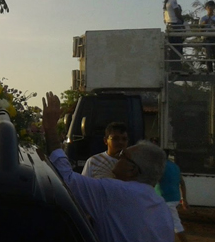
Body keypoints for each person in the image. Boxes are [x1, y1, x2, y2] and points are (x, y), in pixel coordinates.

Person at [42, 92, 173, 242]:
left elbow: (66, 181)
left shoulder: (115, 192)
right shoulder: (162, 208)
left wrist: (51, 129)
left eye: (124, 156)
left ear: (132, 170)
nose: (119, 155)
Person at [156, 152, 189, 242]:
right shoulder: (175, 167)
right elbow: (182, 183)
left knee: (175, 224)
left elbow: (154, 180)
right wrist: (184, 199)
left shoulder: (159, 166)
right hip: (174, 198)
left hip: (165, 199)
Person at [163, 0, 184, 71]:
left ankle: (172, 66)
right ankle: (177, 66)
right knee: (178, 46)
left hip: (170, 26)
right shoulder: (173, 1)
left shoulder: (166, 4)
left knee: (172, 47)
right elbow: (177, 13)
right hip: (176, 25)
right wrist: (182, 20)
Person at [200, 0, 215, 73]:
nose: (210, 8)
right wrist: (204, 23)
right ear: (206, 8)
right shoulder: (203, 18)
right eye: (209, 6)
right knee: (208, 55)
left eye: (212, 6)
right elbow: (200, 30)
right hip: (207, 38)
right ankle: (210, 70)